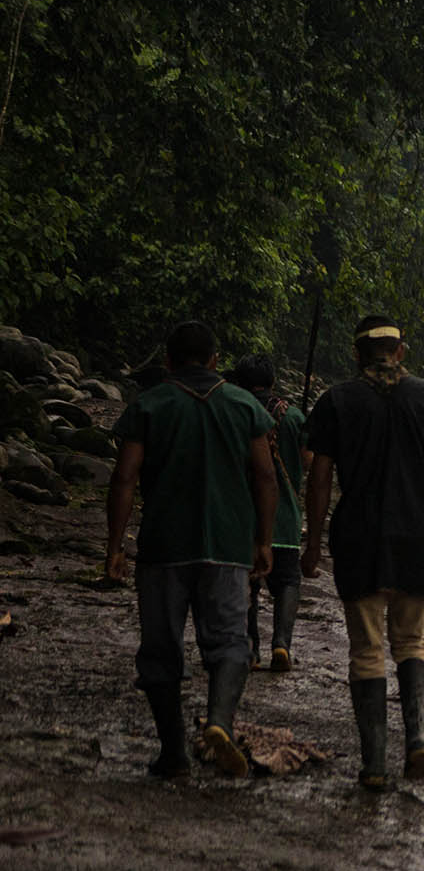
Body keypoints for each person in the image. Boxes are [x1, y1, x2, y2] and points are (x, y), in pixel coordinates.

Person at [301, 316, 424, 789]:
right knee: (413, 641)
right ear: (401, 351)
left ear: (357, 354)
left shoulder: (337, 401)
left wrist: (312, 541)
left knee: (367, 650)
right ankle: (417, 739)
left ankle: (374, 764)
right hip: (416, 538)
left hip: (358, 538)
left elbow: (319, 478)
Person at [105, 320, 277, 778]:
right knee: (230, 643)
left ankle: (174, 754)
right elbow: (265, 476)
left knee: (161, 649)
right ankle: (219, 721)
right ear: (216, 361)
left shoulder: (150, 404)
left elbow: (124, 478)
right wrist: (263, 539)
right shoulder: (243, 406)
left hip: (164, 545)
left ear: (167, 360)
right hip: (227, 544)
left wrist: (115, 546)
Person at [226, 354, 310, 672]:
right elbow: (308, 459)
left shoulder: (232, 411)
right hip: (284, 518)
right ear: (272, 381)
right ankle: (282, 644)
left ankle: (249, 647)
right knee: (287, 579)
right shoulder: (293, 415)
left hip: (240, 516)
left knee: (246, 582)